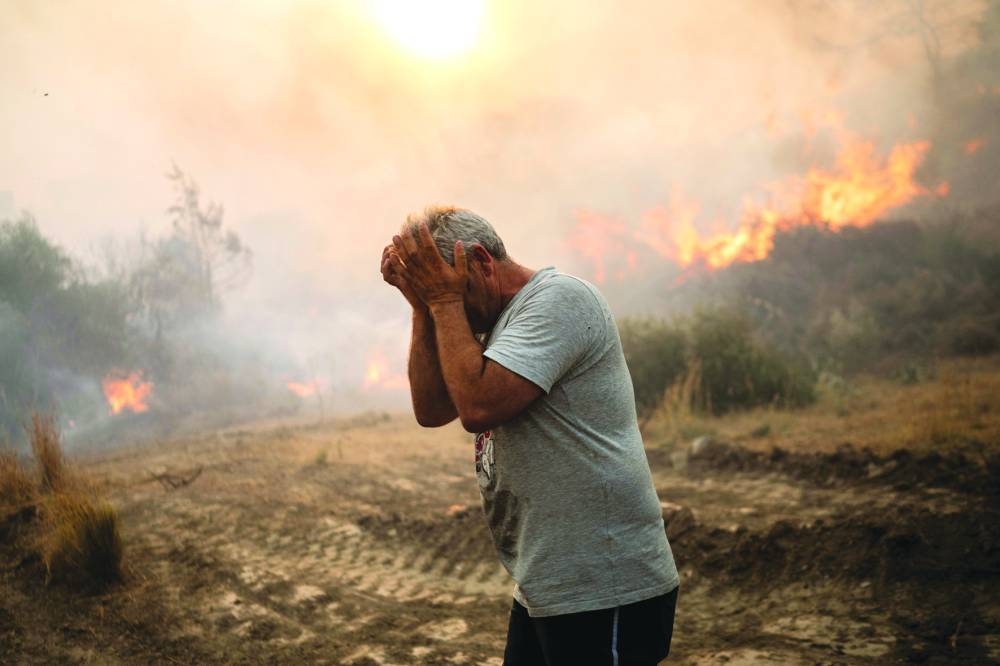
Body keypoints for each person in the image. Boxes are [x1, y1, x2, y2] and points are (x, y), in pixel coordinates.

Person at [380, 206, 679, 665]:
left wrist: (442, 303)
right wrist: (423, 304)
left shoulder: (560, 300)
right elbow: (433, 408)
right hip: (549, 581)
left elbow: (478, 407)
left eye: (455, 294)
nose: (453, 312)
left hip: (603, 583)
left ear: (480, 261)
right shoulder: (499, 322)